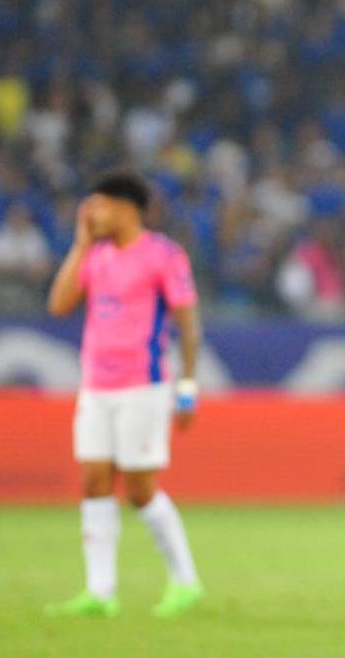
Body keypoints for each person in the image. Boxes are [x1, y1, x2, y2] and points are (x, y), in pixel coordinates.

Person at [44, 170, 205, 618]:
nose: (92, 213)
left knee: (139, 488)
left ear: (126, 207)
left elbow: (188, 324)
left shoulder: (163, 255)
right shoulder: (93, 256)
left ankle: (185, 582)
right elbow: (58, 306)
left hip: (143, 383)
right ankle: (100, 591)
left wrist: (187, 387)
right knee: (94, 480)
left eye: (99, 205)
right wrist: (79, 243)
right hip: (95, 385)